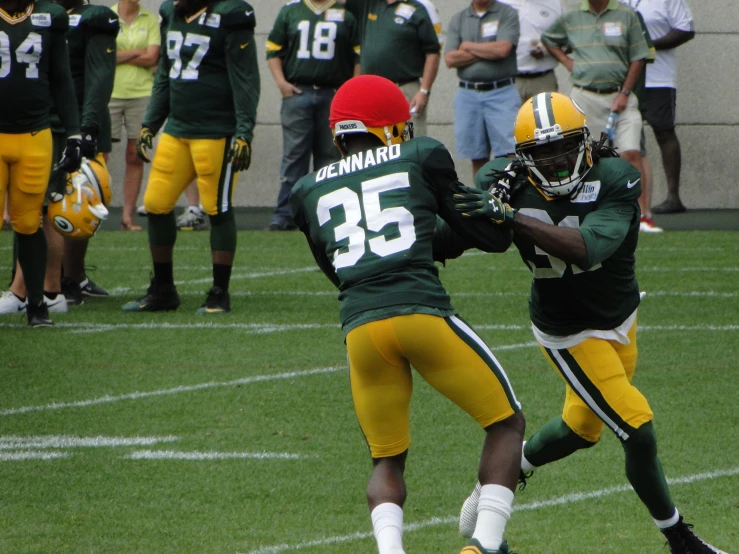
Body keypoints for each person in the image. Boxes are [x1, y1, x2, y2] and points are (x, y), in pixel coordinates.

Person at [443, 92, 727, 554]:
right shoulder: (503, 178)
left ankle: (509, 469)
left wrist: (510, 216)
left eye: (563, 148)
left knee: (581, 429)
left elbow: (587, 248)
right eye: (541, 153)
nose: (555, 162)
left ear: (586, 142)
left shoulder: (615, 176)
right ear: (522, 157)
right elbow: (462, 233)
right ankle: (681, 540)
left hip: (620, 317)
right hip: (568, 330)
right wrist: (463, 214)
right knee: (637, 428)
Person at [290, 75, 526, 554]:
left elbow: (338, 268)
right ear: (393, 127)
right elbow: (490, 238)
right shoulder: (418, 154)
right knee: (507, 424)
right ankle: (484, 545)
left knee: (387, 457)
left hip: (360, 328)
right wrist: (498, 205)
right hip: (420, 312)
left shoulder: (306, 189)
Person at [122, 0, 259, 315]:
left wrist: (243, 132)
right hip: (177, 129)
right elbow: (165, 76)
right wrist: (150, 125)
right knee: (156, 205)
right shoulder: (171, 12)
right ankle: (163, 289)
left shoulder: (232, 15)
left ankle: (218, 293)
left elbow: (246, 79)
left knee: (217, 209)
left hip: (217, 132)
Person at [2, 0, 119, 313]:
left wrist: (85, 128)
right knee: (32, 209)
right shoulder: (37, 15)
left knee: (58, 207)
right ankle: (33, 286)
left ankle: (54, 286)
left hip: (65, 124)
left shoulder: (90, 19)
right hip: (37, 121)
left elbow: (90, 78)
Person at [541, 0, 662, 231]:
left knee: (631, 153)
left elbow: (638, 56)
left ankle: (641, 216)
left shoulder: (627, 14)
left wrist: (625, 93)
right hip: (584, 97)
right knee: (587, 158)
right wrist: (567, 61)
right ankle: (593, 213)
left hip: (621, 96)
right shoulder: (572, 14)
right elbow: (548, 38)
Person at [0, 0, 82, 326]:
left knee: (29, 221)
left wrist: (74, 133)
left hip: (34, 134)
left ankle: (36, 304)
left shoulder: (51, 16)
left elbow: (62, 79)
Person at [264, 0, 360, 232]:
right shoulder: (291, 10)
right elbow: (272, 50)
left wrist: (348, 88)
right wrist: (282, 84)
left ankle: (324, 215)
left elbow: (358, 56)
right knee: (294, 157)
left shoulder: (345, 13)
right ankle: (284, 214)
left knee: (329, 157)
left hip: (333, 93)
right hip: (298, 92)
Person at [627, 0, 694, 214]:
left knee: (664, 132)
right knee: (629, 138)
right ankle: (626, 198)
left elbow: (685, 29)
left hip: (659, 79)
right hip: (627, 79)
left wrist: (648, 46)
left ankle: (673, 197)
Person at [338, 0, 441, 138]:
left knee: (410, 144)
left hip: (405, 89)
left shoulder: (417, 9)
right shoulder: (367, 4)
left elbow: (432, 52)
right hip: (371, 91)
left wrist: (424, 91)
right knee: (373, 146)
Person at [444, 0, 522, 179]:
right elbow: (450, 59)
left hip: (502, 92)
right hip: (468, 95)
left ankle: (511, 197)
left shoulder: (507, 13)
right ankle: (483, 196)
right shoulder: (459, 19)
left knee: (511, 153)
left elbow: (502, 49)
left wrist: (468, 46)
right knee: (477, 156)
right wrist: (488, 50)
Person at [109, 0, 160, 231]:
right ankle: (94, 212)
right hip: (110, 93)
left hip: (142, 95)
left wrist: (122, 55)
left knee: (135, 154)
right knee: (99, 155)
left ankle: (127, 217)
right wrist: (137, 52)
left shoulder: (150, 20)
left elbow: (152, 58)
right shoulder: (107, 17)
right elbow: (105, 55)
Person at [499, 0, 562, 102]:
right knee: (509, 118)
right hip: (508, 81)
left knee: (546, 117)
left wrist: (546, 50)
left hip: (543, 80)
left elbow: (566, 40)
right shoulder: (499, 3)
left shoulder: (555, 4)